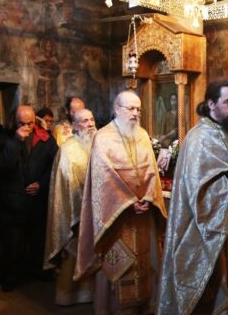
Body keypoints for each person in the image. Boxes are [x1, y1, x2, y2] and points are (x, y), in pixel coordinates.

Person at [157, 79, 228, 314]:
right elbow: (198, 194)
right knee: (219, 292)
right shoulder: (199, 139)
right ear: (211, 104)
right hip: (214, 233)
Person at [75, 91, 167, 315]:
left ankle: (142, 307)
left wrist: (149, 198)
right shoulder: (103, 137)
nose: (136, 113)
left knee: (144, 262)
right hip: (116, 217)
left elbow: (151, 171)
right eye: (131, 108)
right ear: (117, 109)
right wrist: (128, 202)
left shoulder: (142, 135)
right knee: (117, 265)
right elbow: (103, 177)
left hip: (143, 214)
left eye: (139, 109)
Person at [0, 106, 58, 292]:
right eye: (21, 123)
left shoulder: (46, 139)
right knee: (13, 243)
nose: (26, 127)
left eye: (30, 123)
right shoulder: (5, 137)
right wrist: (16, 141)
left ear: (35, 121)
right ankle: (11, 277)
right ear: (14, 121)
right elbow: (4, 166)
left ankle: (38, 271)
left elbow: (55, 166)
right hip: (13, 200)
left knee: (38, 239)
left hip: (37, 199)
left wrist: (41, 184)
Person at [44, 108, 97, 306]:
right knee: (75, 252)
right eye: (84, 121)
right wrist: (81, 206)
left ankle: (96, 292)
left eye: (92, 120)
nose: (90, 124)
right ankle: (71, 294)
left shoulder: (99, 144)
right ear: (74, 126)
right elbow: (65, 185)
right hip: (76, 211)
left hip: (98, 210)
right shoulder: (68, 149)